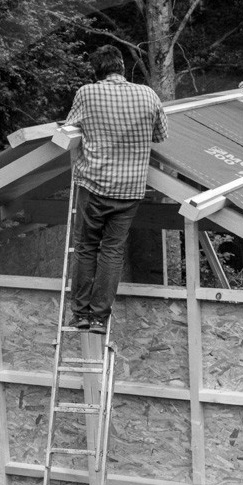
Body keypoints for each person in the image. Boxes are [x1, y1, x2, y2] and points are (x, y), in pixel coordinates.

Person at [64, 45, 168, 334]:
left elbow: (69, 127)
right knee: (112, 251)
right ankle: (99, 317)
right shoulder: (148, 94)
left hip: (94, 186)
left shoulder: (87, 93)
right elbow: (161, 135)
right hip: (129, 189)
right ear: (121, 67)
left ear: (96, 71)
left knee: (86, 248)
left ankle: (81, 314)